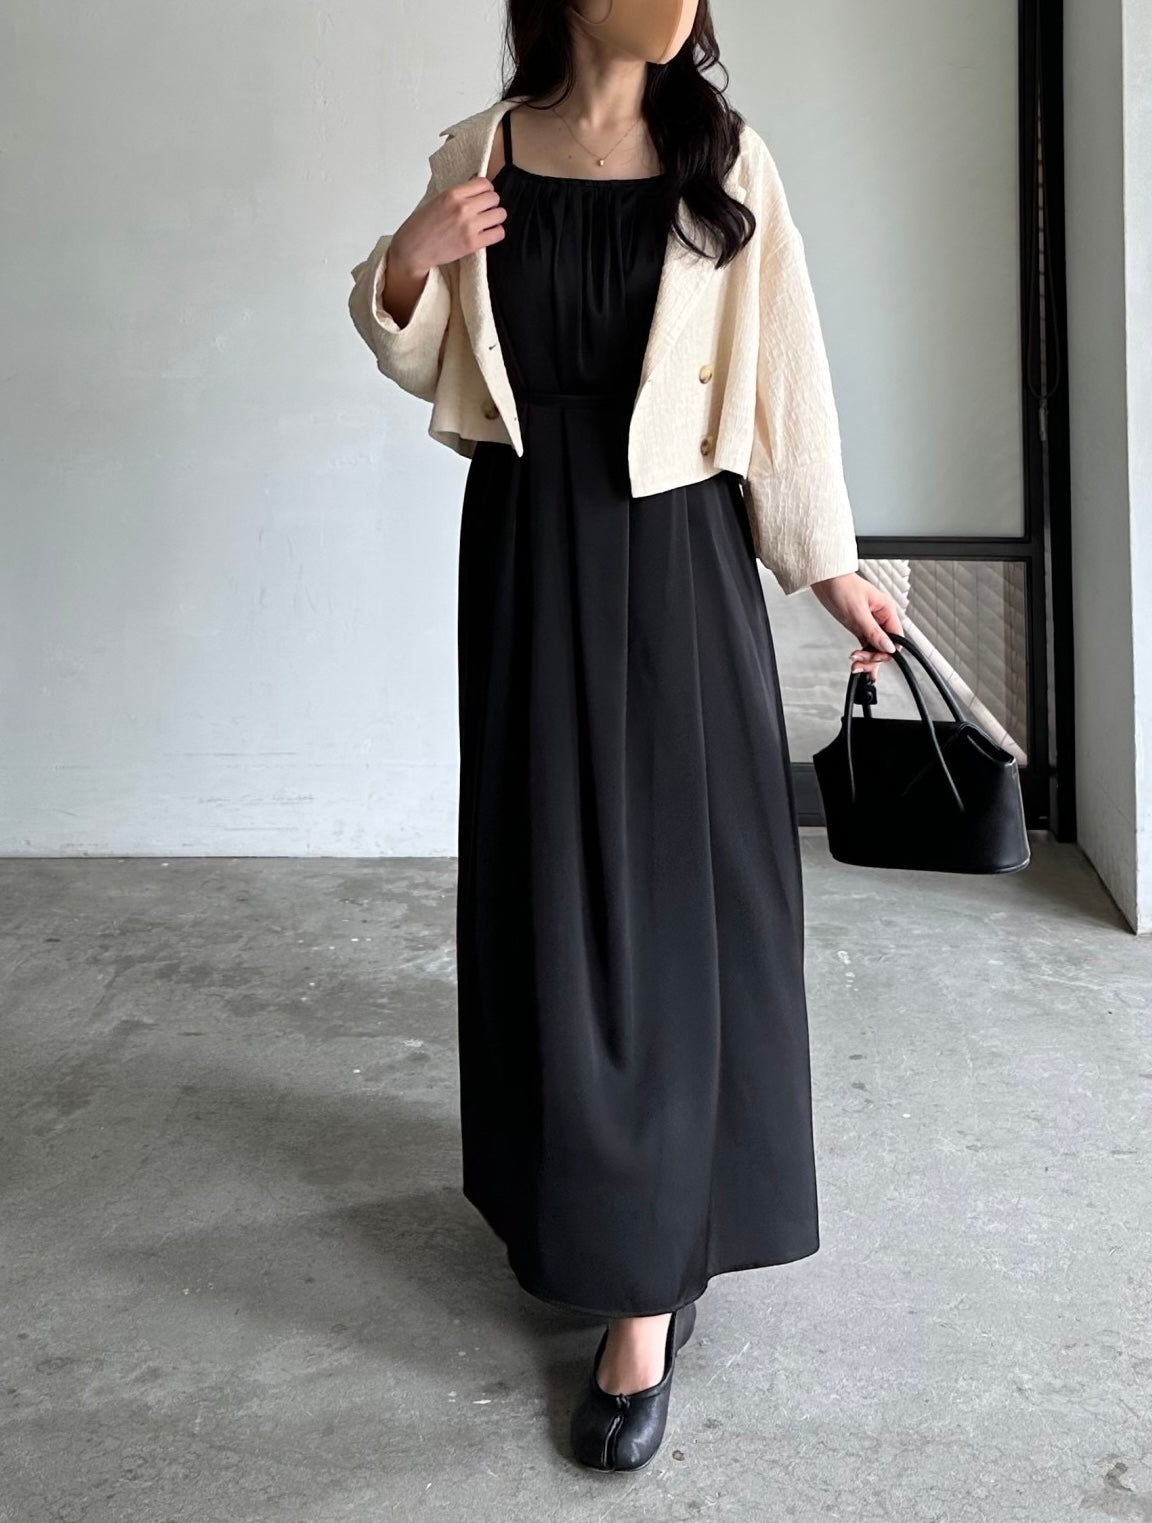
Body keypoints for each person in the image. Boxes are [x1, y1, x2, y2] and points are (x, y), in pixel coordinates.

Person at [349, 0, 903, 1473]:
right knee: (549, 901)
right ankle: (585, 1202)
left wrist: (828, 566)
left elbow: (784, 377)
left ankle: (646, 1296)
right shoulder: (484, 151)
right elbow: (415, 345)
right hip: (526, 553)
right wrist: (410, 254)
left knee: (670, 906)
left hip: (675, 561)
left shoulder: (724, 158)